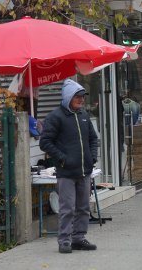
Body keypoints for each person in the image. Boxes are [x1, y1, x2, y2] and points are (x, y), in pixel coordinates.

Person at [39, 79, 99, 254]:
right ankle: (64, 240)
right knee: (67, 208)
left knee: (83, 207)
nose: (81, 100)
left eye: (82, 97)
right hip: (66, 172)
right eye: (77, 97)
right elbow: (45, 142)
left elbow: (93, 139)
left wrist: (92, 157)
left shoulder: (84, 116)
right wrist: (62, 159)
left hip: (85, 171)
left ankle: (79, 238)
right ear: (68, 97)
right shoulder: (55, 117)